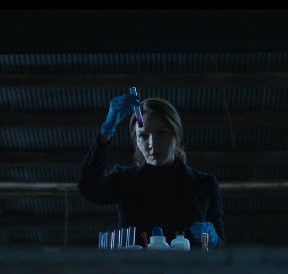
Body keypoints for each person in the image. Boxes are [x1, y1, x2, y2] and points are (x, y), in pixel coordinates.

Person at [78, 95, 226, 248]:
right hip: (137, 264)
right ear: (136, 141)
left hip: (187, 264)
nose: (153, 144)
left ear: (176, 133)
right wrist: (106, 130)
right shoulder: (124, 180)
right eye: (143, 136)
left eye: (161, 133)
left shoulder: (205, 185)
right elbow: (89, 189)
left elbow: (221, 251)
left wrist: (213, 241)